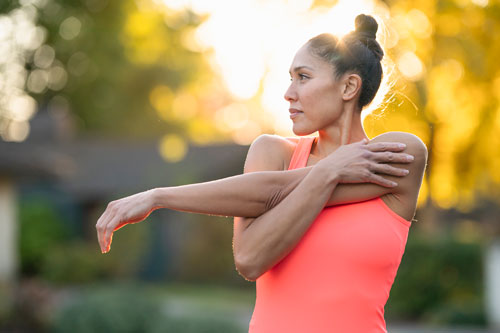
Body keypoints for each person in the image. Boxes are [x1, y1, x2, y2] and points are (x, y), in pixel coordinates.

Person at [96, 14, 427, 332]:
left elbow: (271, 191)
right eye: (290, 77)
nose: (288, 93)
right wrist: (329, 172)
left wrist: (325, 173)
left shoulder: (400, 155)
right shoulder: (273, 153)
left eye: (303, 77)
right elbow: (250, 259)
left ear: (348, 86)